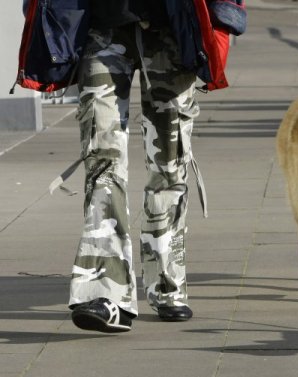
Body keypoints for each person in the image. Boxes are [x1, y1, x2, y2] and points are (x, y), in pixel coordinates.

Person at [17, 0, 241, 333]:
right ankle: (105, 293)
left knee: (169, 163)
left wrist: (223, 20)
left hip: (174, 28)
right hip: (100, 28)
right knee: (100, 159)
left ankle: (167, 283)